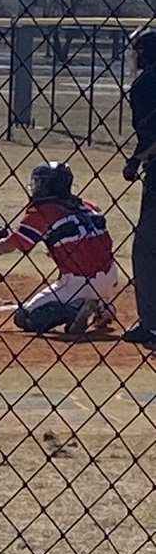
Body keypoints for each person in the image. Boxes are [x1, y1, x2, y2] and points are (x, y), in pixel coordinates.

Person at [0, 161, 119, 335]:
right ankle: (102, 304)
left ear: (48, 185)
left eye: (39, 182)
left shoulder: (42, 211)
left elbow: (7, 247)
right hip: (111, 277)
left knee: (24, 317)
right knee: (86, 279)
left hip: (78, 282)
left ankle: (75, 308)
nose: (36, 187)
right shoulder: (88, 206)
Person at [121, 28, 156, 344]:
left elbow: (152, 134)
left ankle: (152, 324)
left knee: (146, 249)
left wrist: (135, 161)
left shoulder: (145, 85)